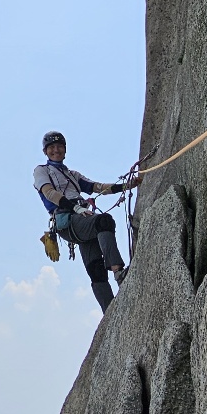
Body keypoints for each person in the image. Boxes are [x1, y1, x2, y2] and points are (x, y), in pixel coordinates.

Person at [34, 130, 134, 313]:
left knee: (95, 268)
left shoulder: (72, 174)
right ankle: (118, 270)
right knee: (103, 222)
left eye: (59, 146)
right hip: (68, 218)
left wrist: (126, 185)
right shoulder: (41, 171)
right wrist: (75, 207)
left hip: (80, 218)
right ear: (45, 151)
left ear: (65, 149)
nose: (56, 150)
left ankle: (109, 311)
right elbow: (49, 192)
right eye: (51, 147)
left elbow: (98, 187)